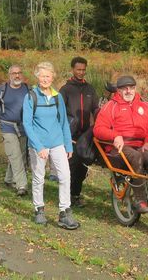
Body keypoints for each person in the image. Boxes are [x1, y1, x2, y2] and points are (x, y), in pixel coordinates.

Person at [93, 75, 148, 214]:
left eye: (131, 88)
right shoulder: (110, 106)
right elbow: (98, 129)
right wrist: (114, 135)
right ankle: (139, 199)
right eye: (125, 88)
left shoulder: (145, 105)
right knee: (137, 157)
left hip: (140, 144)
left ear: (135, 89)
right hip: (117, 148)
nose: (129, 91)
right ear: (118, 91)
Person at [23, 61, 79, 230]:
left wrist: (68, 145)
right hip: (38, 145)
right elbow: (27, 124)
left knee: (65, 176)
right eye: (42, 76)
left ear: (53, 76)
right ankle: (39, 210)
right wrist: (39, 147)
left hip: (57, 143)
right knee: (39, 177)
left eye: (48, 76)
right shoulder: (30, 96)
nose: (45, 79)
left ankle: (64, 212)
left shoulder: (57, 96)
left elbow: (63, 122)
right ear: (37, 77)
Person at [59, 56, 99, 208]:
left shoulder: (90, 89)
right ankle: (66, 197)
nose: (81, 72)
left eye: (83, 70)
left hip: (85, 136)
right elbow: (59, 112)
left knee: (82, 168)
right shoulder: (66, 89)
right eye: (78, 69)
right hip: (70, 135)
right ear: (72, 69)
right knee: (70, 167)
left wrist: (100, 118)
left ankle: (75, 195)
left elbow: (95, 108)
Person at [0, 64, 30, 196]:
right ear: (9, 75)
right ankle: (21, 185)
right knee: (15, 154)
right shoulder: (2, 89)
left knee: (20, 155)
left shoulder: (27, 89)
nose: (17, 75)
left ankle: (9, 179)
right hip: (7, 126)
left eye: (19, 73)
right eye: (14, 73)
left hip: (23, 127)